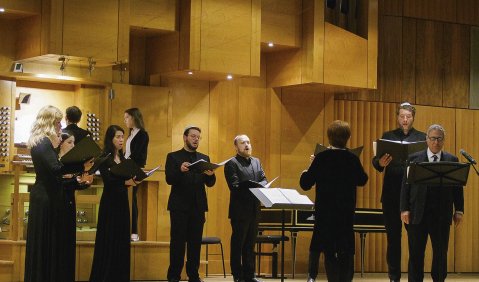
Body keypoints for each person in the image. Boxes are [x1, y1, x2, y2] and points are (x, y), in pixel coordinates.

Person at [24, 105, 91, 282]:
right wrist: (80, 165)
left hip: (47, 194)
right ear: (49, 122)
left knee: (46, 245)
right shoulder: (43, 142)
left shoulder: (41, 142)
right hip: (45, 197)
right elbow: (55, 169)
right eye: (57, 122)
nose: (60, 126)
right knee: (46, 244)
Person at [300, 120, 368, 282]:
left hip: (325, 214)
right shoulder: (352, 158)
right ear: (348, 137)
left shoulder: (321, 157)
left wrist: (308, 168)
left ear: (329, 137)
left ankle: (327, 278)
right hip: (345, 214)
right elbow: (363, 180)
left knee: (329, 250)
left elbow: (306, 184)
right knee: (346, 249)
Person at [400, 124, 464, 282]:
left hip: (441, 215)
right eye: (433, 138)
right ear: (426, 139)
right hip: (417, 214)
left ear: (444, 140)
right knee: (415, 254)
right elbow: (405, 186)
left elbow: (457, 188)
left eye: (439, 139)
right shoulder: (414, 159)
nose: (436, 142)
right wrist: (404, 209)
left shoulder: (452, 160)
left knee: (441, 254)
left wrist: (459, 210)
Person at [371, 102, 426, 282]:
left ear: (413, 117)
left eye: (408, 117)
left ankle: (414, 278)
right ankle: (394, 277)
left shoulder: (422, 137)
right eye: (402, 116)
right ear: (397, 117)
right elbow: (376, 161)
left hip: (412, 197)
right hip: (392, 194)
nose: (404, 120)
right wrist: (380, 163)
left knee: (415, 240)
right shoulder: (388, 136)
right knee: (393, 239)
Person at [165, 126, 216, 282]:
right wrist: (180, 170)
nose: (196, 139)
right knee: (178, 244)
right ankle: (174, 276)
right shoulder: (173, 157)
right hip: (179, 206)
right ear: (185, 137)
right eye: (193, 136)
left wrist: (211, 175)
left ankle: (193, 276)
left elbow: (210, 183)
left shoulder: (204, 158)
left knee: (195, 244)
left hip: (198, 206)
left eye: (198, 137)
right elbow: (169, 179)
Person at [90, 125, 138, 282]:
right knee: (109, 240)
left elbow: (124, 178)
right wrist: (125, 182)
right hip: (110, 203)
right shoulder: (104, 157)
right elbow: (109, 181)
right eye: (117, 137)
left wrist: (133, 179)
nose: (121, 140)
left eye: (122, 137)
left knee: (122, 239)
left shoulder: (123, 158)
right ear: (110, 139)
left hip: (122, 202)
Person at [224, 135, 267, 282]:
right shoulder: (231, 163)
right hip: (240, 210)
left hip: (255, 209)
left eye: (248, 142)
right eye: (242, 143)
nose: (247, 145)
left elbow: (264, 179)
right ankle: (237, 275)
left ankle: (250, 275)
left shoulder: (257, 162)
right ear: (236, 147)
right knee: (238, 244)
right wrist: (251, 185)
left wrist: (259, 184)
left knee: (250, 244)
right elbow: (234, 186)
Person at [57, 129, 94, 282]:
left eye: (74, 142)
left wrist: (85, 182)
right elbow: (60, 184)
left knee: (68, 245)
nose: (73, 146)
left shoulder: (72, 163)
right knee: (59, 245)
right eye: (69, 142)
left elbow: (73, 185)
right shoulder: (56, 162)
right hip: (58, 205)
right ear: (60, 144)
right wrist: (78, 180)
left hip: (70, 204)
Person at [124, 107, 149, 241]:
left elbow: (137, 154)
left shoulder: (142, 134)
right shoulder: (131, 134)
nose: (125, 120)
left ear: (134, 118)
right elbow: (127, 153)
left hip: (135, 169)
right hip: (127, 168)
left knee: (132, 199)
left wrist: (124, 163)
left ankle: (134, 231)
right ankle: (127, 229)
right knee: (128, 199)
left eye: (127, 117)